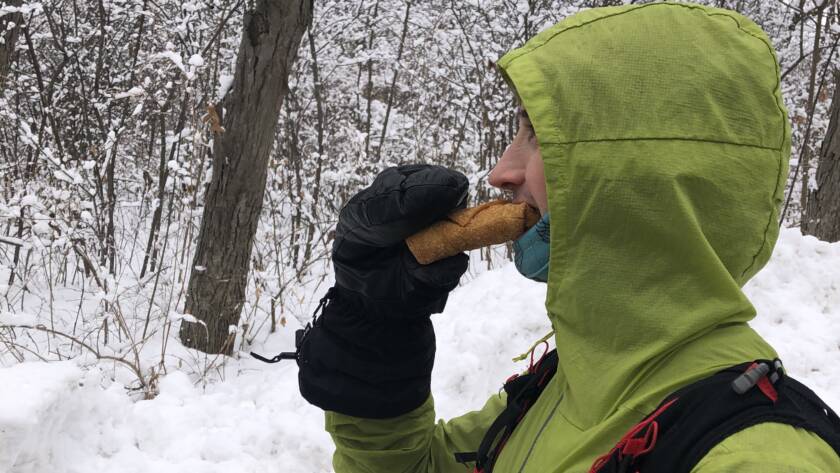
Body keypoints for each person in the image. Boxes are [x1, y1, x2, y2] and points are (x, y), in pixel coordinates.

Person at [292, 3, 840, 472]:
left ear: (638, 171)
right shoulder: (571, 382)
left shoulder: (758, 457)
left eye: (537, 135)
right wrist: (376, 330)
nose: (502, 173)